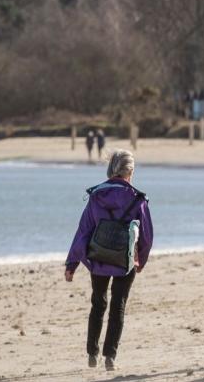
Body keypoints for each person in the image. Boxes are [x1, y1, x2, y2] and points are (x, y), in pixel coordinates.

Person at [65, 149, 153, 372]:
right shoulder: (138, 199)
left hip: (98, 259)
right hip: (126, 261)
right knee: (118, 306)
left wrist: (71, 264)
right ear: (130, 171)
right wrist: (140, 259)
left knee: (98, 303)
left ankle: (92, 354)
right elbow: (147, 235)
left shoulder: (96, 196)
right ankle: (110, 357)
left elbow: (83, 231)